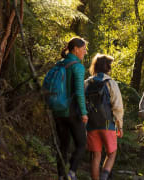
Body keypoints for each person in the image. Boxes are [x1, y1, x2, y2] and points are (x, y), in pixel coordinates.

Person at [53, 37, 88, 180]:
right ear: (76, 49)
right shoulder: (77, 66)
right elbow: (79, 92)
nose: (85, 52)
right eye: (84, 49)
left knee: (63, 145)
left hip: (58, 110)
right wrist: (84, 113)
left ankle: (61, 176)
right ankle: (72, 172)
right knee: (81, 144)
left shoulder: (59, 64)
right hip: (72, 112)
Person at [85, 54, 124, 180]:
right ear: (107, 67)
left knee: (96, 156)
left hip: (91, 125)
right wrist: (120, 126)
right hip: (108, 125)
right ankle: (104, 177)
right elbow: (118, 107)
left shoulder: (87, 82)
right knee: (112, 154)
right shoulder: (111, 83)